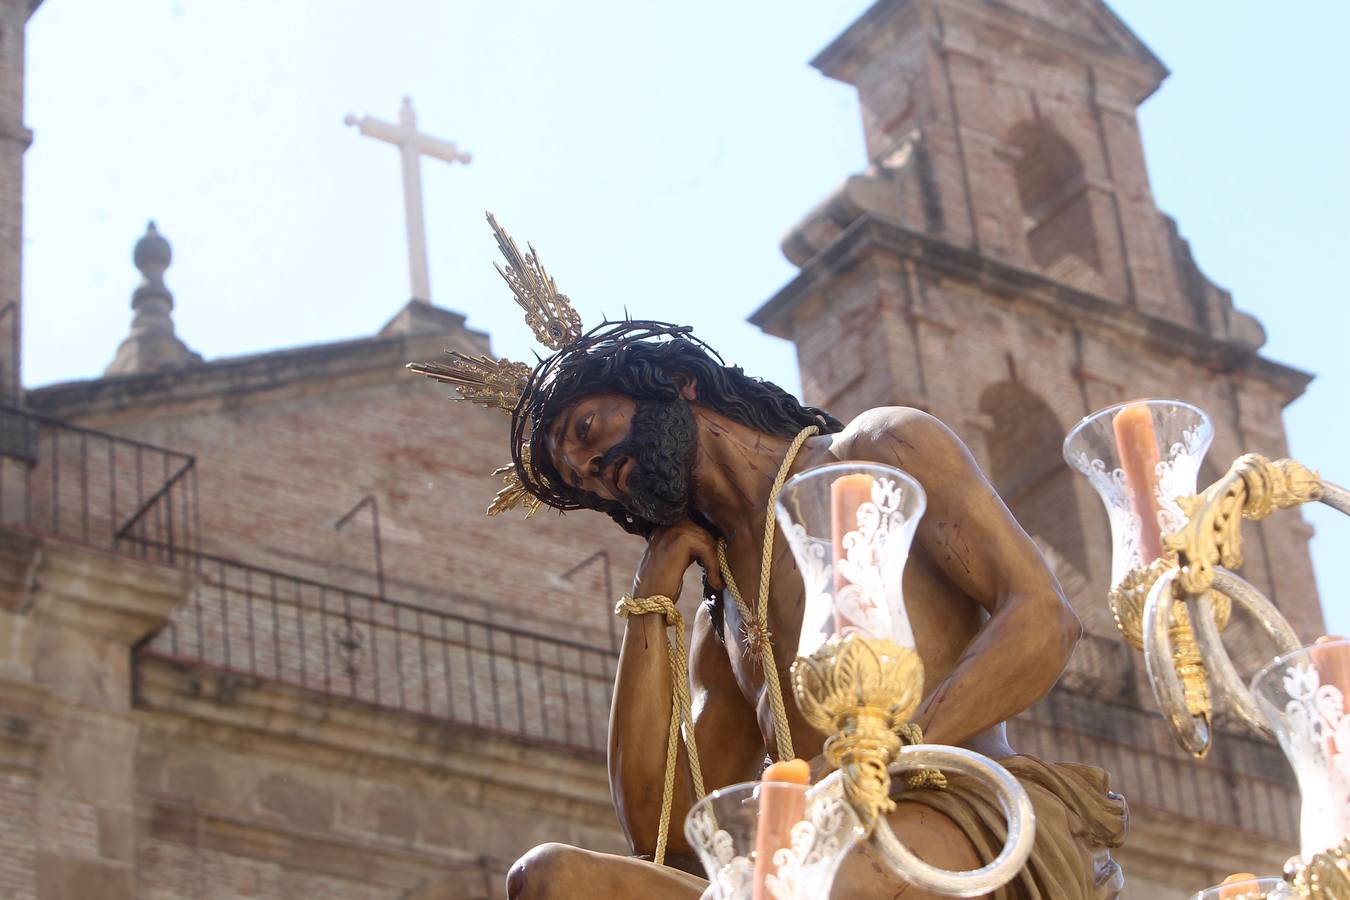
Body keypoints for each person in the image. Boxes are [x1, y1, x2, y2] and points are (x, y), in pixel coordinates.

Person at [412, 220, 1126, 899]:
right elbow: (665, 838)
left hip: (961, 803)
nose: (594, 464)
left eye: (589, 428)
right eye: (580, 476)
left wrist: (871, 762)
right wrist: (652, 599)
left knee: (791, 884)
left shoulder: (878, 455)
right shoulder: (721, 609)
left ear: (676, 383)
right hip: (802, 850)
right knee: (554, 880)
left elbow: (1042, 620)